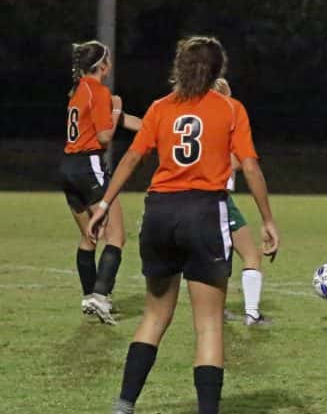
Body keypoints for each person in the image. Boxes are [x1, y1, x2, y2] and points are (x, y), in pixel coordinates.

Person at [87, 36, 279, 414]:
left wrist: (104, 203)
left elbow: (132, 157)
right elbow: (251, 166)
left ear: (180, 67)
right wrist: (268, 220)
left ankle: (124, 405)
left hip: (159, 211)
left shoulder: (160, 108)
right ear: (217, 70)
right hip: (204, 212)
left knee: (155, 315)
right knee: (208, 325)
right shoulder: (230, 108)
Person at [60, 40, 141, 325]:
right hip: (88, 166)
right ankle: (100, 295)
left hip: (68, 167)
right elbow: (106, 136)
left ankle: (90, 297)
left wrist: (157, 128)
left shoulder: (78, 89)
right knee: (116, 236)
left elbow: (119, 122)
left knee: (89, 237)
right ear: (102, 65)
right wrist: (117, 107)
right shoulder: (99, 91)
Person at [213, 78, 273, 326]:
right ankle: (252, 313)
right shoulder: (228, 117)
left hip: (188, 200)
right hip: (218, 199)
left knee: (221, 258)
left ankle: (218, 310)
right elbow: (240, 162)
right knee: (251, 254)